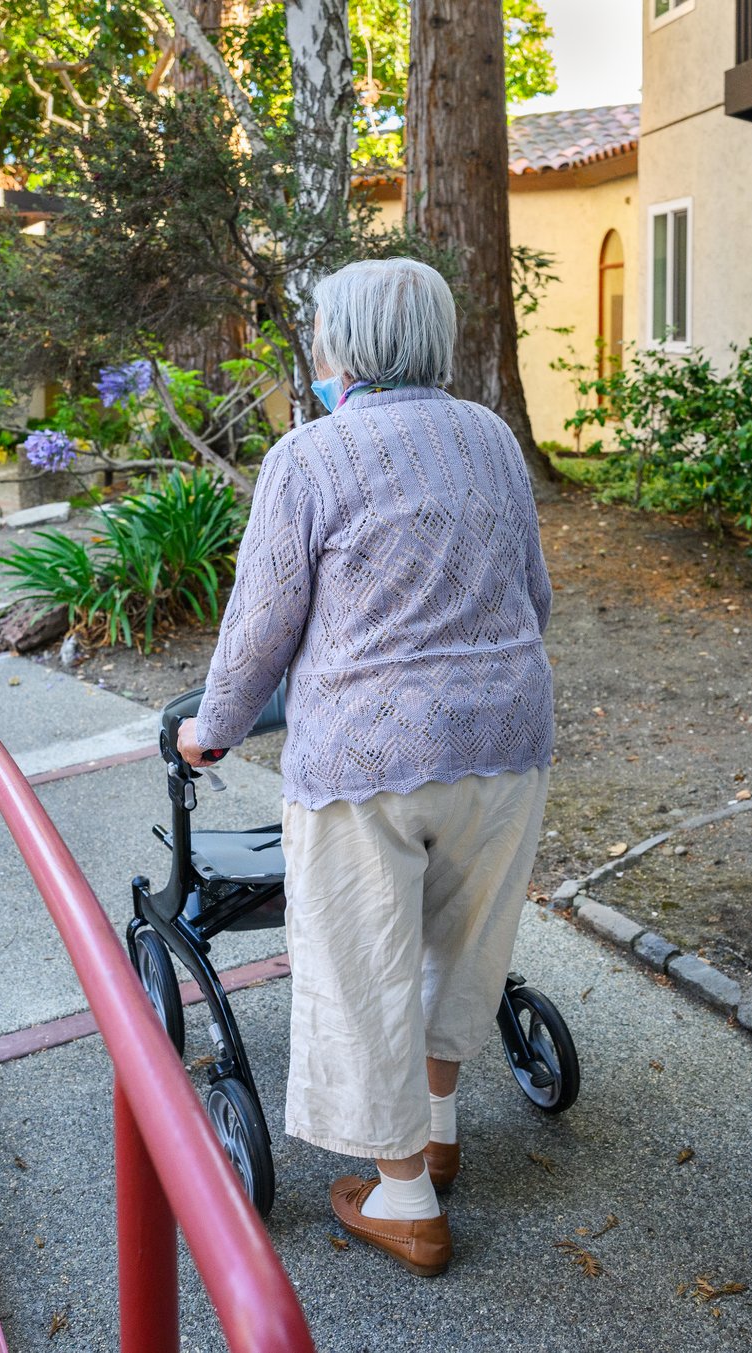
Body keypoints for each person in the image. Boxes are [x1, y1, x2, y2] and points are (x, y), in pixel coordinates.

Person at [177, 256, 555, 1276]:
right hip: (505, 742)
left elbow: (261, 630)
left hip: (367, 759)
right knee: (461, 948)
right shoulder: (493, 442)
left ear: (344, 346)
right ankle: (439, 1132)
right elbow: (536, 596)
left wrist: (210, 727)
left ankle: (404, 1198)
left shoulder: (309, 457)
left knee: (361, 968)